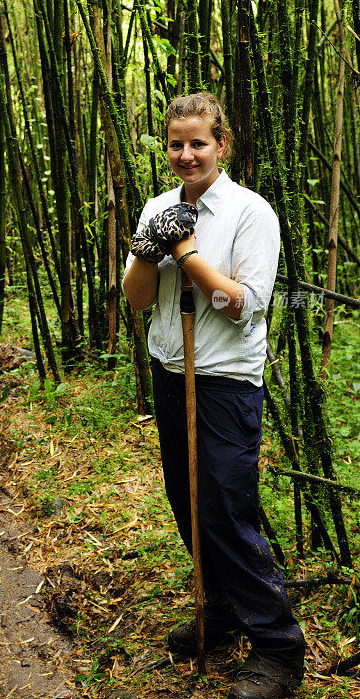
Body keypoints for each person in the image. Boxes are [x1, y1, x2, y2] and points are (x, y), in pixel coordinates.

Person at [123, 93, 305, 699]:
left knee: (226, 507)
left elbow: (242, 303)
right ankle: (222, 614)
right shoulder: (156, 207)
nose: (186, 154)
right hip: (172, 372)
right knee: (188, 501)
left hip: (225, 381)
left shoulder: (252, 214)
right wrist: (151, 250)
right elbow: (137, 299)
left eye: (198, 142)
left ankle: (278, 647)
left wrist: (186, 253)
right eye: (176, 143)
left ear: (222, 145)